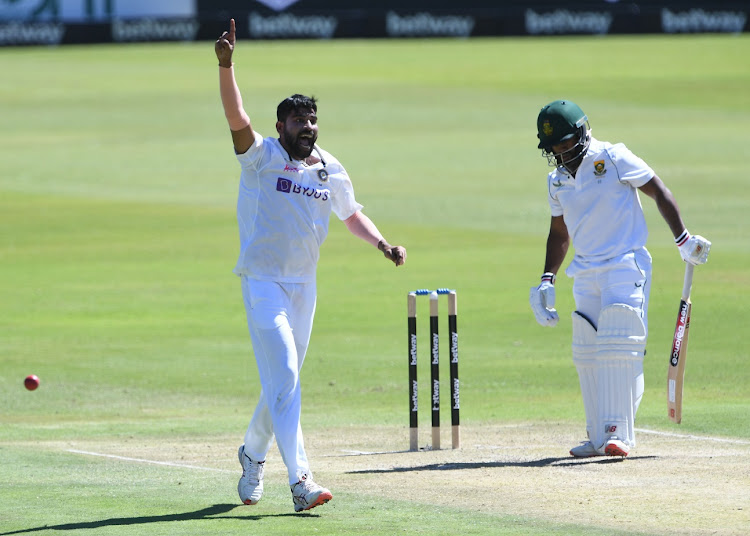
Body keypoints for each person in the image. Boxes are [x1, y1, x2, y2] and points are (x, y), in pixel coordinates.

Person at [214, 19, 407, 511]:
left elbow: (351, 213)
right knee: (286, 377)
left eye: (312, 119)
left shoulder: (328, 166)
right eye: (298, 121)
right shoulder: (261, 157)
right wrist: (226, 65)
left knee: (281, 381)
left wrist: (382, 244)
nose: (307, 127)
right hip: (262, 284)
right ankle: (301, 482)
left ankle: (252, 454)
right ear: (280, 127)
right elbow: (236, 118)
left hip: (305, 287)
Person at [529, 99, 710, 458]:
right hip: (585, 271)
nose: (562, 153)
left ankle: (620, 433)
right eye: (555, 148)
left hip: (625, 264)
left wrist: (683, 239)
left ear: (582, 132)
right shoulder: (557, 180)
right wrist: (547, 278)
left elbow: (658, 190)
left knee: (619, 348)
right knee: (587, 351)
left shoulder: (613, 157)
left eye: (566, 144)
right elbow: (559, 233)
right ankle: (598, 436)